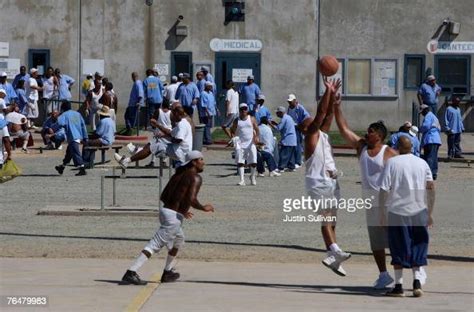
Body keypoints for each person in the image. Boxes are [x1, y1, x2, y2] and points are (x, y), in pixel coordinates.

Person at [121, 150, 214, 285]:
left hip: (166, 212)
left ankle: (167, 272)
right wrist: (203, 207)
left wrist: (182, 209)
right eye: (201, 159)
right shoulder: (195, 178)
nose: (203, 162)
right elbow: (192, 199)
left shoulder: (178, 175)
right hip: (173, 218)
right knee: (154, 245)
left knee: (178, 240)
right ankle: (131, 272)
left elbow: (163, 196)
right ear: (194, 162)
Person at [334, 98, 398, 288]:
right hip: (370, 203)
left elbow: (405, 171)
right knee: (376, 242)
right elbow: (344, 129)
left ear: (378, 135)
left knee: (394, 240)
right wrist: (337, 106)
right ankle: (384, 275)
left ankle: (404, 276)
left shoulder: (390, 153)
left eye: (370, 131)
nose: (366, 133)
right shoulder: (361, 147)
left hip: (388, 202)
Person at [299, 78, 351, 276]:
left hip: (331, 180)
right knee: (326, 217)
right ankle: (335, 250)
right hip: (318, 182)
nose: (314, 121)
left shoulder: (322, 135)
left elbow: (327, 115)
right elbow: (321, 114)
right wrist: (326, 92)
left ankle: (332, 257)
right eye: (310, 122)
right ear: (305, 128)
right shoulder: (310, 135)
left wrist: (335, 102)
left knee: (333, 219)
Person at [380, 136, 435, 297]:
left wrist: (382, 213)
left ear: (397, 147)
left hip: (397, 211)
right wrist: (430, 212)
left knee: (398, 246)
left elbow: (384, 190)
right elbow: (431, 187)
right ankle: (417, 282)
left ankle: (398, 285)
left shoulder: (392, 163)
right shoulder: (422, 163)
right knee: (418, 245)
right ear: (412, 147)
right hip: (419, 210)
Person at [115, 105, 192, 168]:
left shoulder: (182, 124)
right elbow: (170, 132)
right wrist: (160, 129)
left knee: (152, 147)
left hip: (179, 152)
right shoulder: (182, 122)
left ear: (177, 114)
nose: (172, 118)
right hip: (179, 149)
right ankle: (135, 152)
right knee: (155, 143)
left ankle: (127, 160)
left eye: (173, 115)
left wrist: (167, 138)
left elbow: (178, 140)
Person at [54, 101, 88, 176]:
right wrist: (85, 137)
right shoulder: (77, 114)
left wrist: (53, 128)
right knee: (69, 153)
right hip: (79, 135)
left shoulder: (64, 115)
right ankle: (62, 167)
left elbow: (59, 123)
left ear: (63, 108)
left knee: (76, 153)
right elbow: (83, 125)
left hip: (72, 136)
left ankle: (82, 169)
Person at [230, 103, 260, 186]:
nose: (243, 111)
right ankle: (242, 180)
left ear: (247, 110)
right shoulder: (237, 120)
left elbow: (257, 129)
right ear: (239, 111)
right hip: (240, 144)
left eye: (245, 109)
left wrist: (257, 137)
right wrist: (233, 138)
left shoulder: (252, 119)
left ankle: (252, 177)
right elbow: (232, 130)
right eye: (242, 109)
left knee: (254, 161)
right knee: (240, 162)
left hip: (251, 142)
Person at [270, 106, 297, 172]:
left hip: (288, 139)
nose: (276, 114)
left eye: (277, 112)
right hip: (292, 139)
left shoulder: (284, 119)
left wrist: (270, 124)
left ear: (281, 112)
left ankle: (281, 167)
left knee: (283, 154)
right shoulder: (288, 117)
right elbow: (282, 126)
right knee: (291, 154)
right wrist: (275, 124)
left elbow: (278, 129)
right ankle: (291, 166)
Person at [419, 104, 441, 180]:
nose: (422, 114)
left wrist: (419, 129)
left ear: (426, 110)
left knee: (429, 157)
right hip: (436, 139)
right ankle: (434, 173)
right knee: (434, 157)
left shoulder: (428, 116)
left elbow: (426, 126)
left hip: (430, 139)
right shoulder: (434, 117)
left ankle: (429, 174)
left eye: (422, 112)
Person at [287, 93, 310, 168]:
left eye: (291, 101)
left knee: (298, 144)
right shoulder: (289, 108)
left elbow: (307, 117)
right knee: (293, 144)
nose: (289, 103)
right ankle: (294, 160)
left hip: (298, 128)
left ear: (295, 100)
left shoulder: (300, 108)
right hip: (291, 127)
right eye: (289, 102)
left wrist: (301, 125)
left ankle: (298, 161)